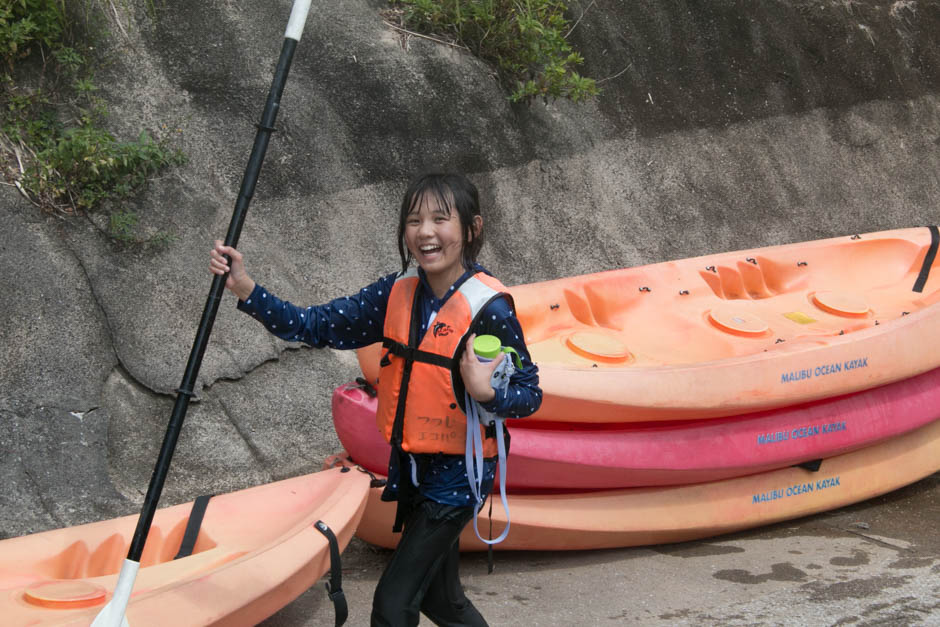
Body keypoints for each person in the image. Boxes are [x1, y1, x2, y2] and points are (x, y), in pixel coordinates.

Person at [209, 172, 542, 626]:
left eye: (440, 219)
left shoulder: (490, 308)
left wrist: (486, 390)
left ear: (471, 228)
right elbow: (315, 325)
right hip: (413, 468)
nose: (424, 232)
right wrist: (246, 289)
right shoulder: (395, 292)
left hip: (459, 477)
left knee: (392, 604)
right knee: (441, 600)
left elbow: (529, 393)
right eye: (414, 220)